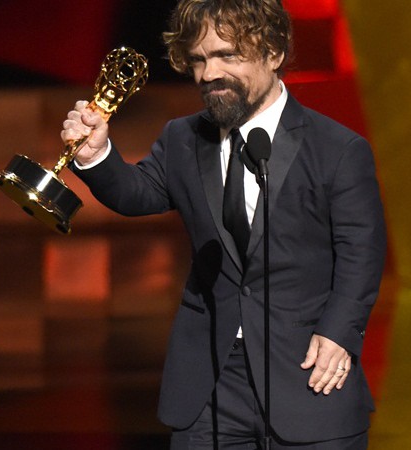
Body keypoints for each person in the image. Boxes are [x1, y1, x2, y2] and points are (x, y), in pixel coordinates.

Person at [60, 0, 387, 448]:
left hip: (309, 374)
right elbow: (136, 194)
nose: (209, 74)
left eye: (228, 56)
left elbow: (361, 252)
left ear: (273, 53)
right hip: (209, 382)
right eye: (199, 59)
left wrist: (338, 334)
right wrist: (94, 155)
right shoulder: (183, 139)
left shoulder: (338, 149)